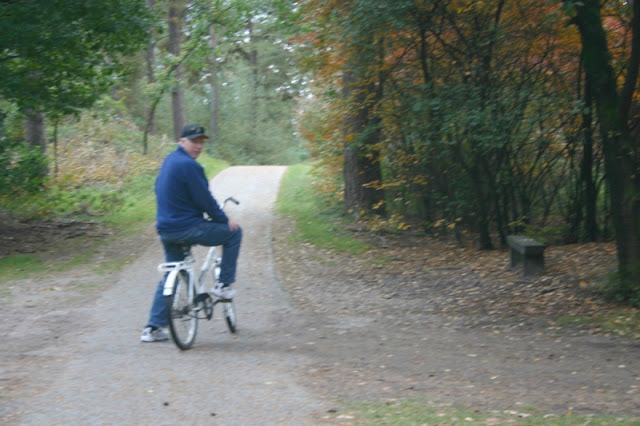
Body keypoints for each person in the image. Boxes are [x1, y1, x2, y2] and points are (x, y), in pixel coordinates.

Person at [140, 124, 242, 343]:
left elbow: (159, 189)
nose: (198, 146)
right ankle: (223, 285)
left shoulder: (169, 161)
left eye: (201, 142)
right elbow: (204, 200)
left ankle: (153, 327)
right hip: (189, 228)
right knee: (234, 233)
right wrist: (224, 220)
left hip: (167, 230)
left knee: (173, 272)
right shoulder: (190, 166)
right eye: (194, 141)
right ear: (182, 141)